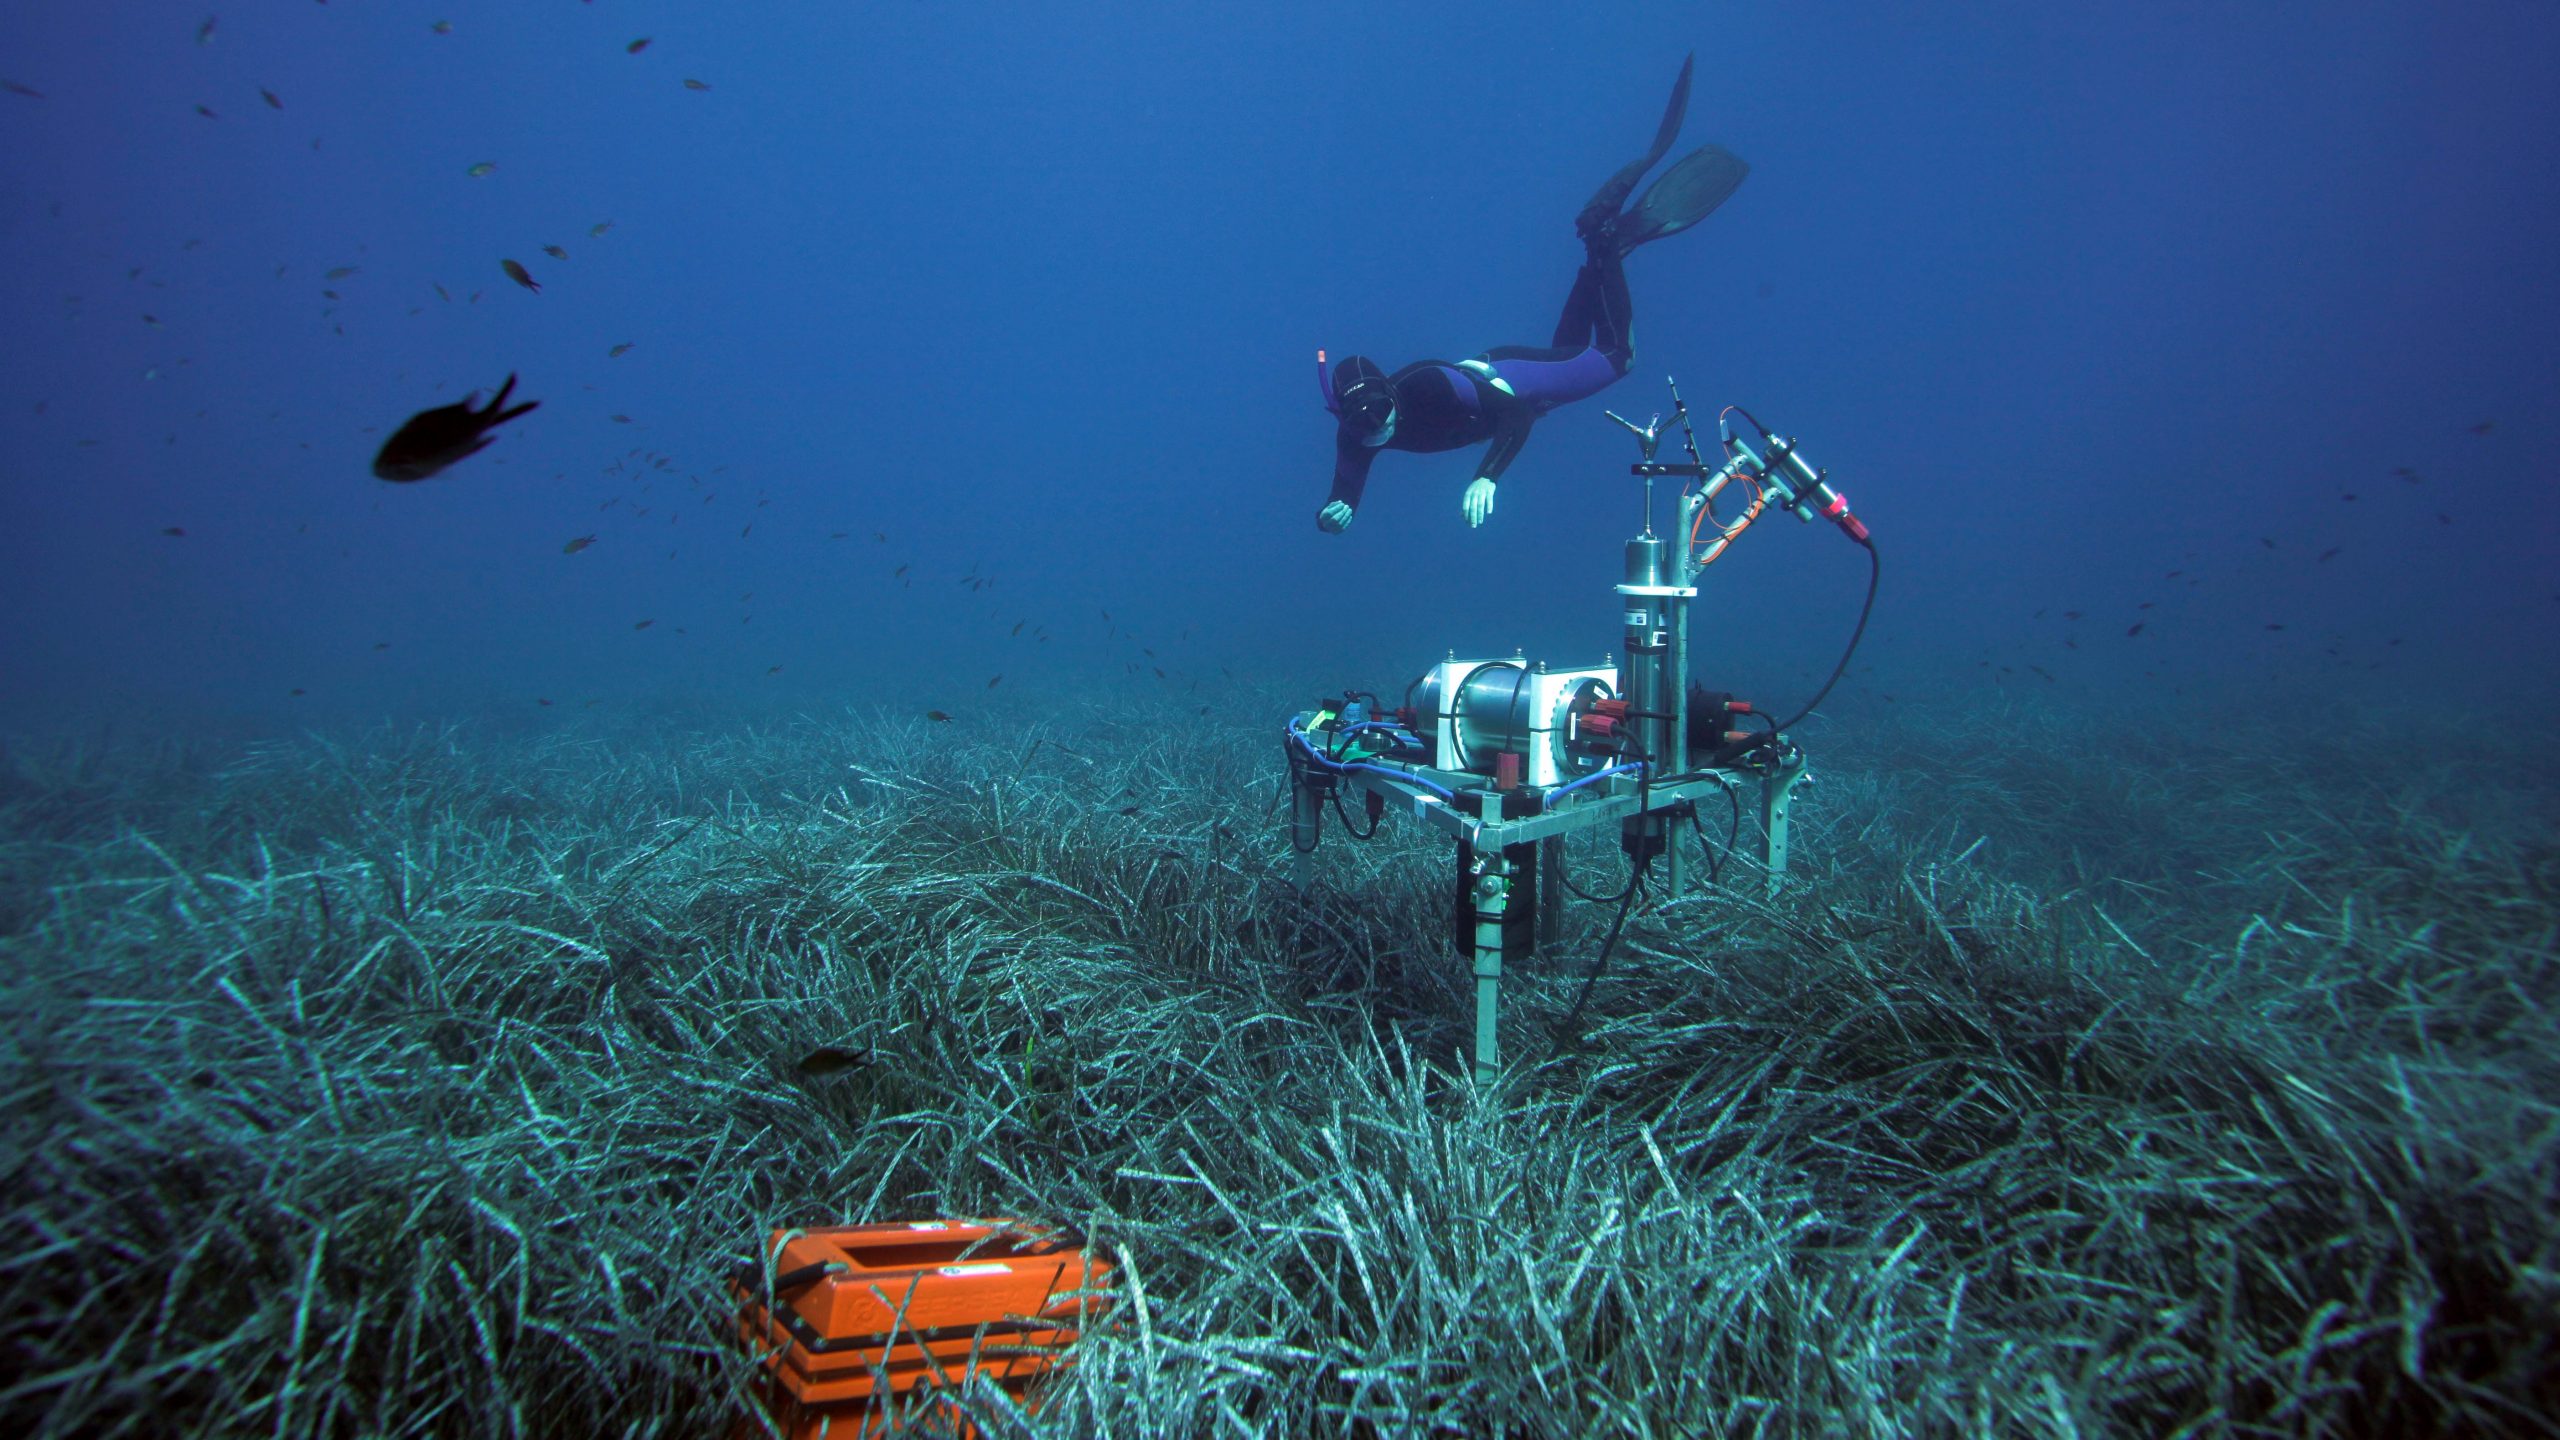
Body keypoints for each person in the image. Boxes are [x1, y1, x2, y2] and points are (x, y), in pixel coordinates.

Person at [1317, 55, 1745, 535]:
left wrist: (1486, 478)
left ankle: (1605, 241)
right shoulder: (1356, 435)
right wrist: (1335, 512)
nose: (1379, 428)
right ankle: (1600, 248)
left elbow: (1516, 413)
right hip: (1507, 387)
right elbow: (1345, 489)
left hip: (1513, 384)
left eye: (1381, 414)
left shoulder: (1426, 386)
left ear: (1390, 393)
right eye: (1365, 426)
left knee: (1616, 357)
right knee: (1571, 352)